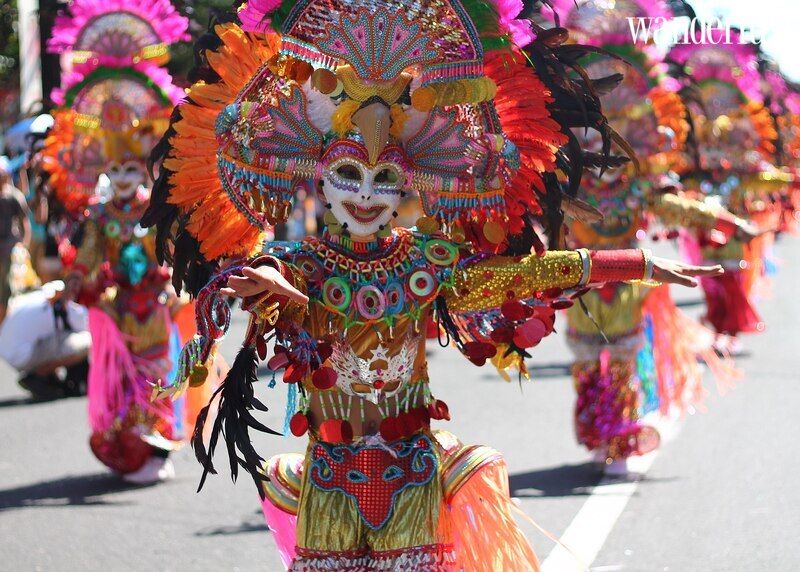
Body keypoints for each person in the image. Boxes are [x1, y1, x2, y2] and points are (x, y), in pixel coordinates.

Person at [146, 1, 723, 568]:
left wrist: (633, 264)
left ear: (405, 187)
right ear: (322, 182)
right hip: (328, 478)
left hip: (414, 476)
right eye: (349, 174)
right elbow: (260, 274)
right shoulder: (303, 265)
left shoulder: (429, 264)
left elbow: (522, 274)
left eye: (384, 178)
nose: (366, 194)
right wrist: (267, 284)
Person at [0, 156, 31, 323]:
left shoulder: (14, 196)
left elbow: (24, 221)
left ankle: (4, 321)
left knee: (7, 284)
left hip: (9, 247)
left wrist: (24, 245)